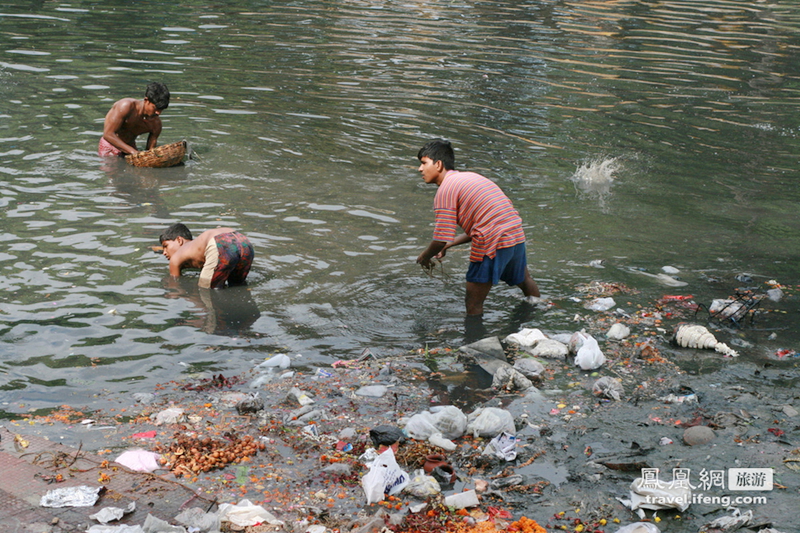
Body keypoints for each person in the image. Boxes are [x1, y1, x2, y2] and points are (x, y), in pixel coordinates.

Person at [415, 139, 540, 316]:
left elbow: (440, 238)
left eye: (423, 163)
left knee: (473, 303)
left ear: (439, 164)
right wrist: (448, 246)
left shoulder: (445, 190)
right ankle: (535, 316)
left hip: (493, 241)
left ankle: (474, 340)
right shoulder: (470, 177)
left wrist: (424, 257)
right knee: (524, 280)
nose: (420, 169)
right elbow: (483, 224)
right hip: (515, 232)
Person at [159, 223, 254, 289]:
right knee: (237, 285)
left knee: (206, 291)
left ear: (179, 240)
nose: (164, 252)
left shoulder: (176, 258)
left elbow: (176, 286)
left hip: (221, 242)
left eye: (165, 246)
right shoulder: (196, 246)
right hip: (244, 241)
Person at [98, 82, 170, 157]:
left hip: (130, 147)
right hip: (110, 145)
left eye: (161, 109)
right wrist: (134, 152)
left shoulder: (156, 124)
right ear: (146, 100)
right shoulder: (126, 106)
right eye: (155, 108)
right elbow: (108, 134)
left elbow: (150, 152)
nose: (158, 113)